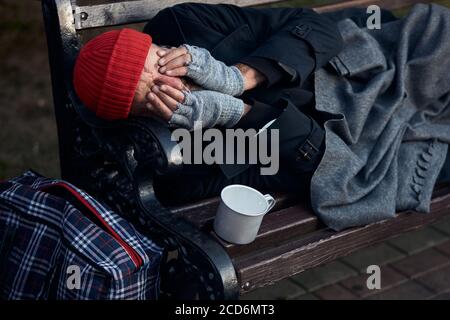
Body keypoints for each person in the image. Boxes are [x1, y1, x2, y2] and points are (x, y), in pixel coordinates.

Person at [72, 3, 397, 206]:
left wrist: (239, 78)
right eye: (156, 94)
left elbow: (317, 26)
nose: (171, 81)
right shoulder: (184, 156)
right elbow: (327, 171)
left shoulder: (182, 24)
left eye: (159, 62)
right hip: (375, 137)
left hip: (372, 53)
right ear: (143, 118)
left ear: (158, 44)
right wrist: (238, 114)